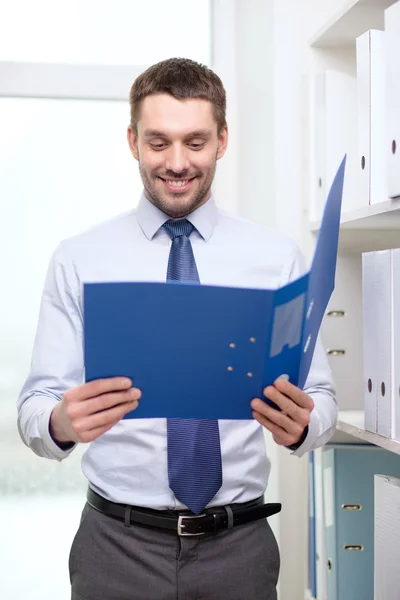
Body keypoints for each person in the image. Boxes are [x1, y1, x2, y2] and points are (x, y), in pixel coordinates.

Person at [17, 57, 337, 600]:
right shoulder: (79, 259)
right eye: (158, 142)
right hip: (115, 549)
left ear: (222, 140)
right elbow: (34, 410)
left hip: (240, 548)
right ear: (132, 141)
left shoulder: (276, 258)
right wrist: (62, 421)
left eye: (196, 141)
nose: (178, 162)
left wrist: (305, 425)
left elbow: (322, 396)